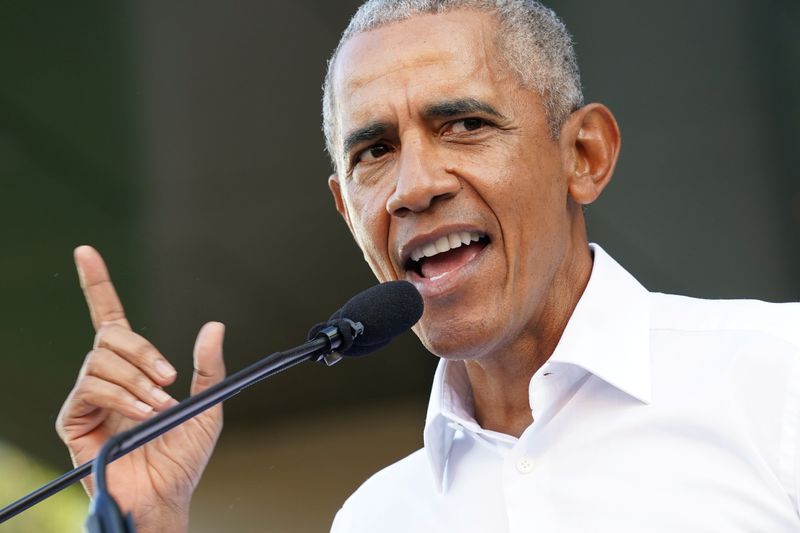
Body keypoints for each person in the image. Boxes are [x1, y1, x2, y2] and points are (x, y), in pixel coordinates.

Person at [57, 1, 800, 531]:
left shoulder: (780, 375)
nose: (414, 186)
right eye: (374, 151)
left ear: (583, 155)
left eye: (466, 124)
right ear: (349, 212)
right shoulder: (374, 518)